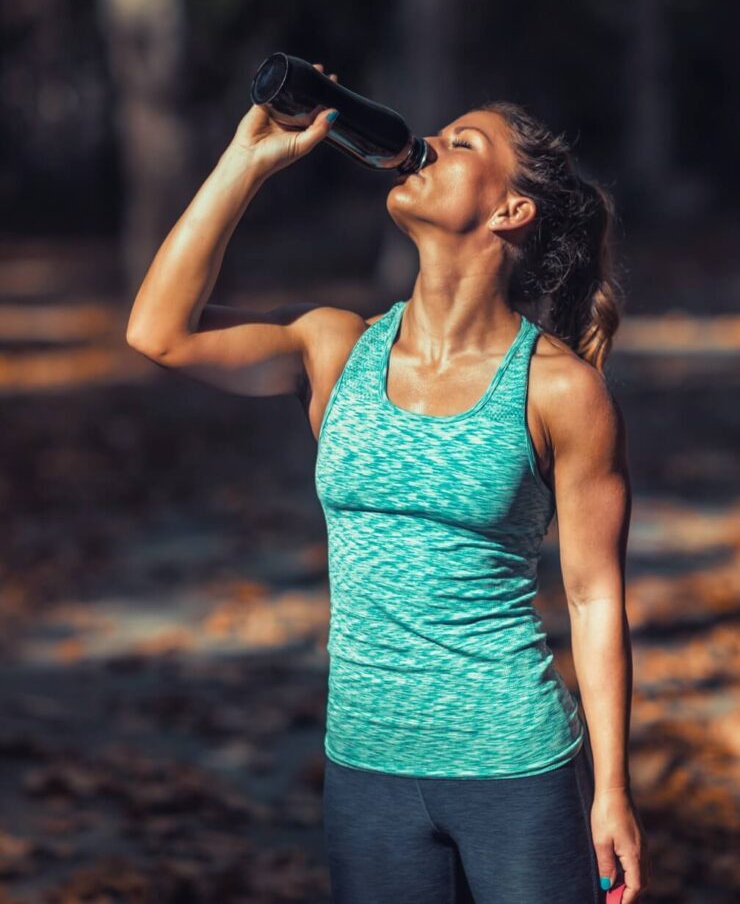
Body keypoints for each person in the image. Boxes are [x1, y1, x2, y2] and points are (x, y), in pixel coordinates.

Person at [126, 62, 651, 904]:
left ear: (511, 210)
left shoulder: (559, 390)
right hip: (365, 766)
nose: (427, 147)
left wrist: (614, 790)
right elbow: (159, 332)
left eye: (461, 142)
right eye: (435, 136)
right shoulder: (336, 347)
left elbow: (594, 599)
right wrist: (246, 160)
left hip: (512, 766)